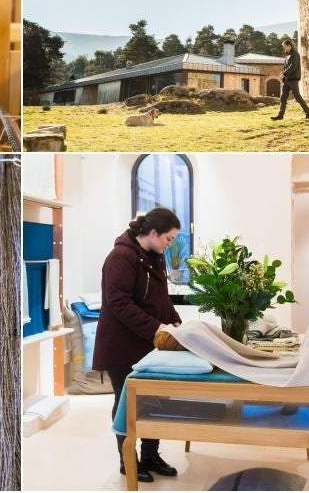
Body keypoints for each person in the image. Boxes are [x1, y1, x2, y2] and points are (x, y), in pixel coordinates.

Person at [92, 207, 183, 483]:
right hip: (120, 346)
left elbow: (161, 298)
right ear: (153, 233)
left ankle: (150, 455)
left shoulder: (155, 257)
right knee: (126, 404)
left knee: (154, 400)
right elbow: (119, 303)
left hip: (147, 344)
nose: (169, 245)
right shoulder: (120, 257)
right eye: (168, 239)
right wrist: (157, 327)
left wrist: (175, 321)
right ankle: (126, 460)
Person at [271, 39, 309, 120]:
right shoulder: (288, 55)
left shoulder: (295, 54)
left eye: (285, 47)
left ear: (289, 45)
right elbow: (286, 67)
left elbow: (293, 67)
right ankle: (280, 115)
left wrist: (284, 74)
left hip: (293, 79)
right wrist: (284, 75)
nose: (284, 49)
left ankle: (308, 113)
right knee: (283, 97)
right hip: (287, 80)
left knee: (297, 97)